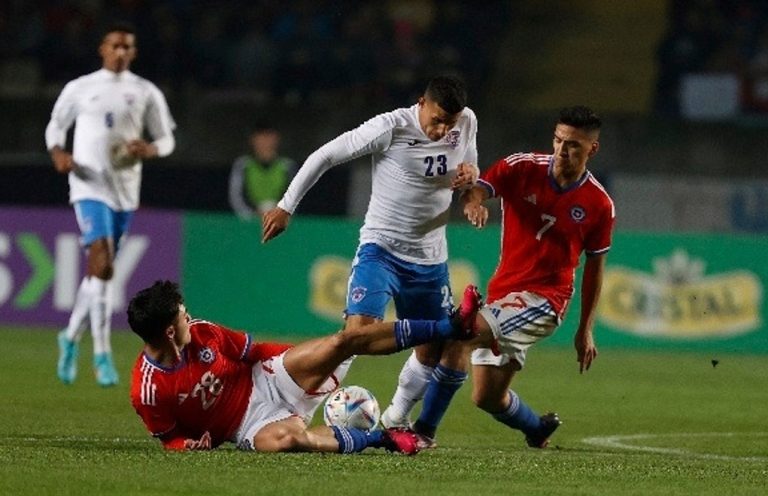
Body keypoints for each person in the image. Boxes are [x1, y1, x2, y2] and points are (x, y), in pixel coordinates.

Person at [262, 76, 479, 431]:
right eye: (436, 120)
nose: (442, 130)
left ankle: (396, 416)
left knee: (431, 352)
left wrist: (470, 180)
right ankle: (298, 408)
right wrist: (286, 206)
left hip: (430, 258)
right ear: (421, 103)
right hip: (382, 250)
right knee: (356, 335)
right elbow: (326, 155)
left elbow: (468, 166)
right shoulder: (390, 126)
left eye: (449, 124)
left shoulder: (467, 120)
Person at [411, 106, 615, 448]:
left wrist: (586, 329)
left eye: (573, 145)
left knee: (461, 335)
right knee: (487, 397)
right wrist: (473, 202)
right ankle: (537, 428)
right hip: (503, 293)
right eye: (558, 140)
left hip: (545, 300)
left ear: (592, 149)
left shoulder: (599, 204)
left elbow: (595, 268)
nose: (562, 150)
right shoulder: (522, 166)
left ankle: (421, 433)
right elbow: (480, 187)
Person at [128, 280, 481, 453]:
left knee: (344, 342)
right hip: (249, 427)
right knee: (290, 440)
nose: (190, 316)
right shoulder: (148, 391)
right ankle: (384, 439)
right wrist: (187, 446)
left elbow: (256, 350)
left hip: (268, 379)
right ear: (170, 331)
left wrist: (305, 358)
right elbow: (169, 438)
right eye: (182, 315)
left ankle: (451, 326)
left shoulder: (204, 332)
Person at [45, 22, 176, 386]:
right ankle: (101, 353)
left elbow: (167, 139)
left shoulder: (145, 91)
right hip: (87, 185)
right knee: (103, 263)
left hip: (125, 190)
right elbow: (55, 126)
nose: (120, 52)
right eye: (115, 45)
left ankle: (69, 336)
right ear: (103, 48)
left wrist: (150, 148)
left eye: (127, 47)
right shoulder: (81, 88)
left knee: (97, 273)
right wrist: (58, 152)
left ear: (133, 53)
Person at [228, 124, 297, 220]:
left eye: (269, 137)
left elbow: (295, 196)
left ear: (276, 139)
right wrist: (251, 215)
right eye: (261, 137)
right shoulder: (242, 165)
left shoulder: (287, 166)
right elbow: (236, 198)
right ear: (252, 140)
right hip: (248, 222)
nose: (265, 142)